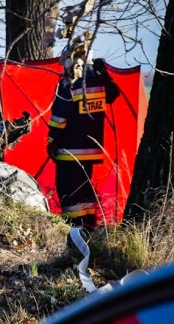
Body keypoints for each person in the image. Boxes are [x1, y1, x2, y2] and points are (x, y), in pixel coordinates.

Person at [47, 57, 119, 230]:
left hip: (69, 151)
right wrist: (105, 73)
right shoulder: (100, 83)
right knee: (85, 192)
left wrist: (52, 141)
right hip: (90, 151)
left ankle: (74, 231)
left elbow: (59, 118)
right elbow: (113, 94)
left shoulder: (68, 85)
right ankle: (89, 227)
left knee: (70, 195)